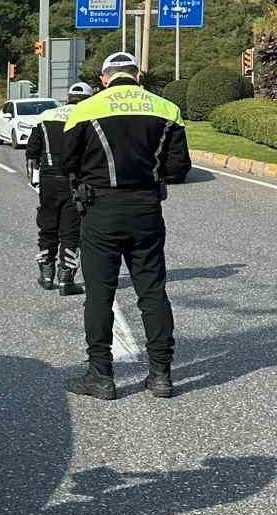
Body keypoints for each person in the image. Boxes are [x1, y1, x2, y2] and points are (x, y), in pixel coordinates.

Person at [62, 50, 191, 401]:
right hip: (147, 208)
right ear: (138, 76)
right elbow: (179, 169)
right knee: (152, 291)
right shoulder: (165, 108)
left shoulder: (85, 109)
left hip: (100, 208)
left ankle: (101, 376)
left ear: (104, 79)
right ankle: (161, 375)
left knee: (100, 295)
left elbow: (65, 161)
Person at [24, 81, 92, 295]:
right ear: (88, 99)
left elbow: (32, 150)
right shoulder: (89, 116)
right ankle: (66, 279)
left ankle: (46, 275)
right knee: (71, 229)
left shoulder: (46, 115)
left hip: (48, 179)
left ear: (68, 97)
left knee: (48, 226)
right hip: (75, 179)